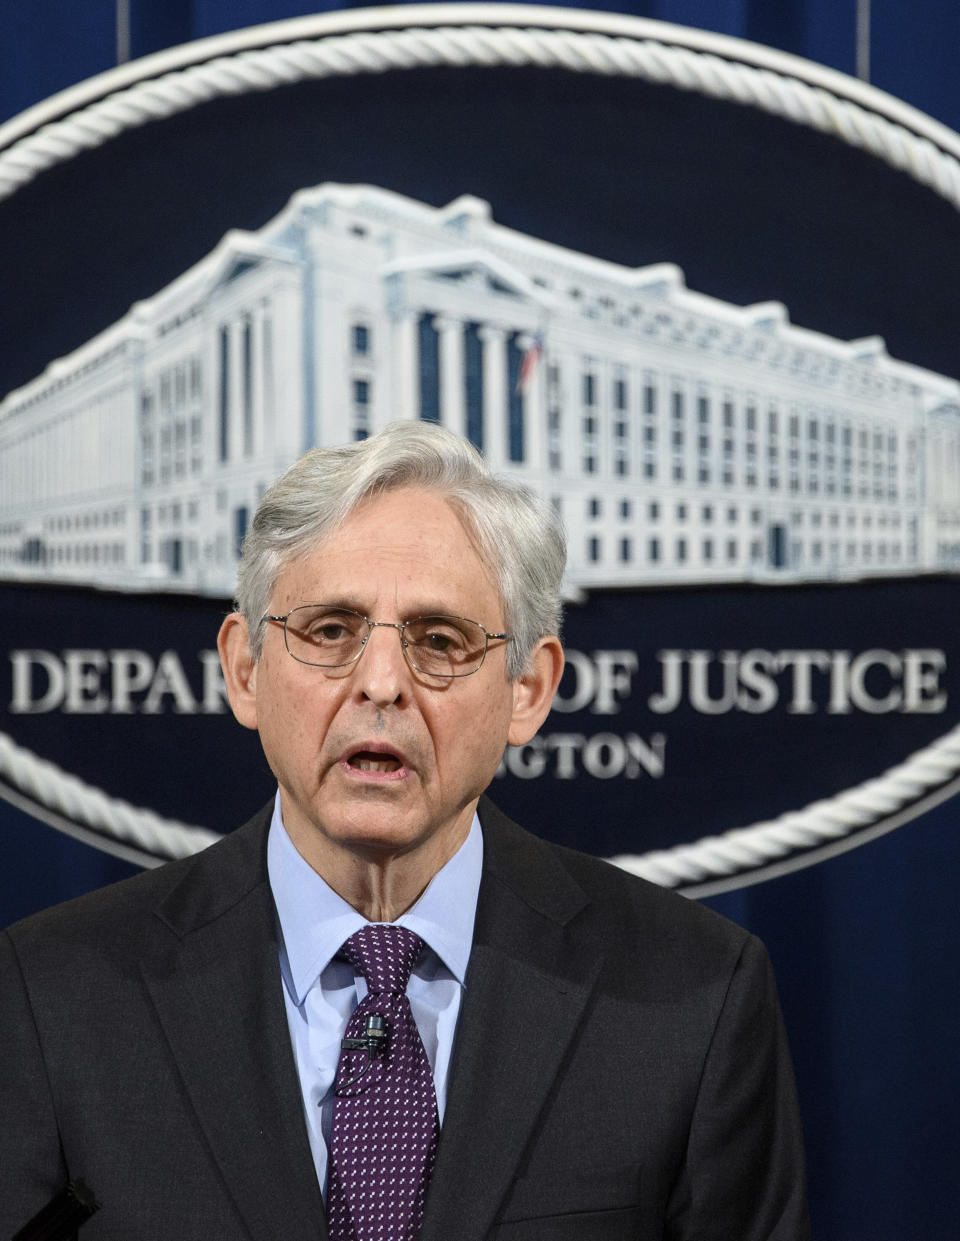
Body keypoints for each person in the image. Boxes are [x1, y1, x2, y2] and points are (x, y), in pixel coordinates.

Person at [0, 420, 810, 1239]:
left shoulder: (695, 997)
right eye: (328, 631)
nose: (381, 683)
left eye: (440, 641)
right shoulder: (49, 998)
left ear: (527, 687)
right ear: (246, 670)